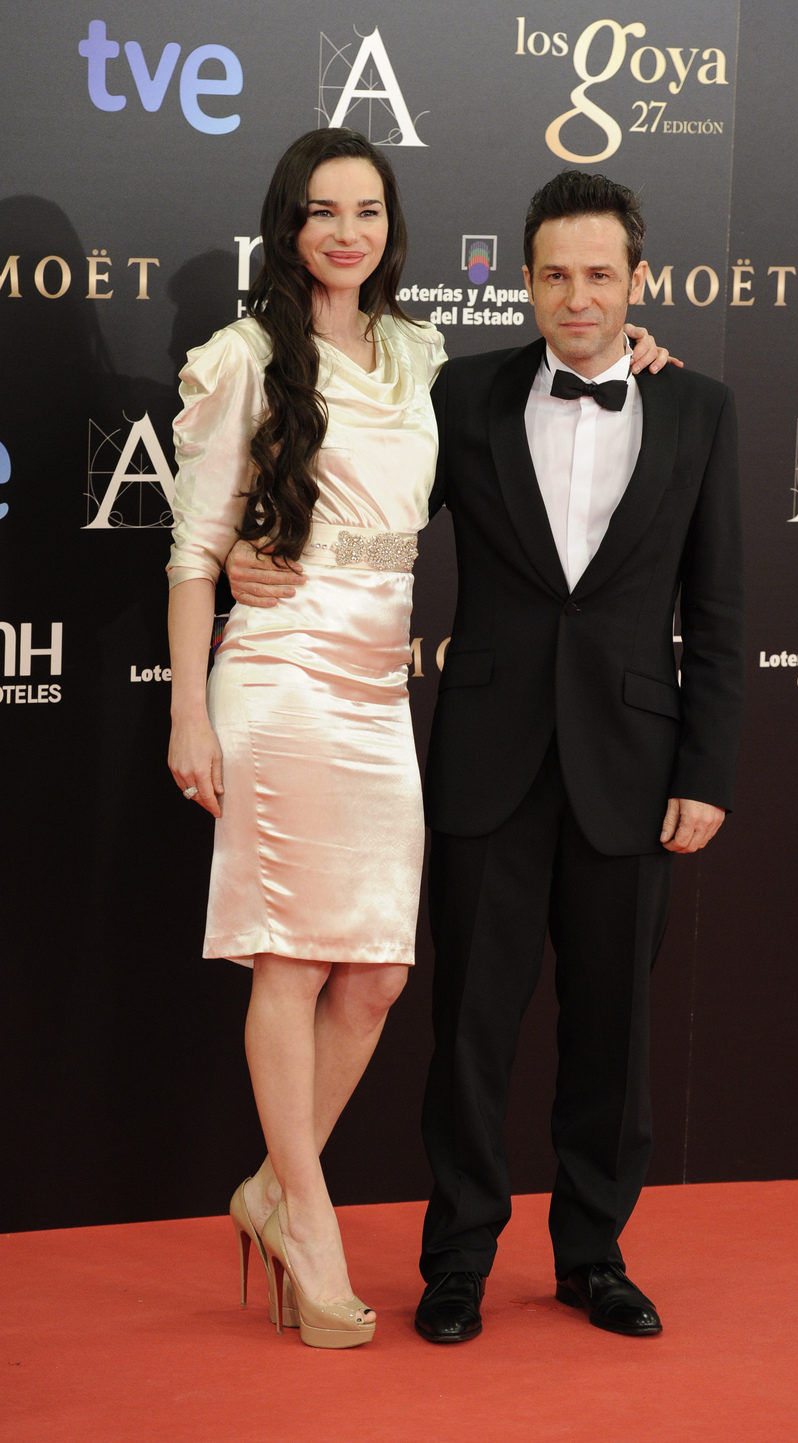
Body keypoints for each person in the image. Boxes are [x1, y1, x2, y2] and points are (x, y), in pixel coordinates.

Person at [223, 168, 702, 1345]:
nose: (576, 297)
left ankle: (593, 1255)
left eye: (601, 276)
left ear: (638, 284)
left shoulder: (698, 408)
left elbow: (725, 608)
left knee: (614, 1034)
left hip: (633, 765)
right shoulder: (463, 390)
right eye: (554, 275)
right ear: (524, 280)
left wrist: (710, 769)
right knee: (469, 1030)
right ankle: (457, 1263)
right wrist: (250, 557)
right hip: (485, 755)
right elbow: (354, 492)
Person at [166, 127, 447, 1349]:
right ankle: (313, 1226)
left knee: (377, 972)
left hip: (378, 680)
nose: (347, 231)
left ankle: (273, 1191)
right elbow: (191, 555)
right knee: (290, 958)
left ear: (392, 227)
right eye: (323, 211)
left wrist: (636, 351)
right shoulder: (242, 358)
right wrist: (189, 710)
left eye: (369, 211)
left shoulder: (417, 351)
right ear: (287, 227)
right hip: (277, 676)